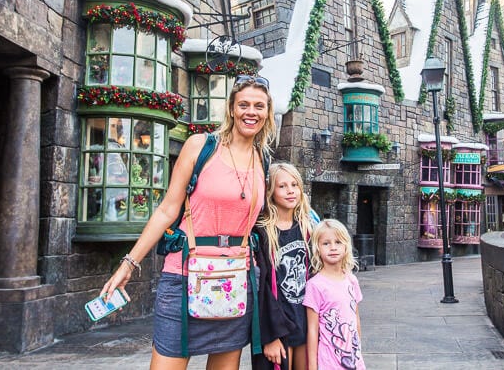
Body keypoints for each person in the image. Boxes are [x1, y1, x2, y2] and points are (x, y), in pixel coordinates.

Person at [100, 74, 276, 370]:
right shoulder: (201, 146)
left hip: (236, 281)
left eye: (259, 106)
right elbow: (167, 210)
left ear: (267, 112)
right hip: (184, 275)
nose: (251, 112)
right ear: (231, 109)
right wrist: (128, 264)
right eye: (244, 104)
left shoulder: (263, 160)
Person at [253, 162, 314, 370]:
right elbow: (260, 289)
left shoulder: (308, 229)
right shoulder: (261, 232)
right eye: (282, 186)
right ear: (270, 191)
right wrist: (269, 336)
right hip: (278, 326)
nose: (290, 191)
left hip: (305, 323)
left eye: (294, 185)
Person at [303, 219, 365, 370]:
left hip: (353, 359)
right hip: (329, 362)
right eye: (326, 243)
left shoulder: (352, 280)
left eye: (338, 242)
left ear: (346, 246)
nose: (333, 248)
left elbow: (355, 319)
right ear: (317, 248)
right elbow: (312, 330)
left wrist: (358, 353)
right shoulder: (315, 285)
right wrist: (312, 366)